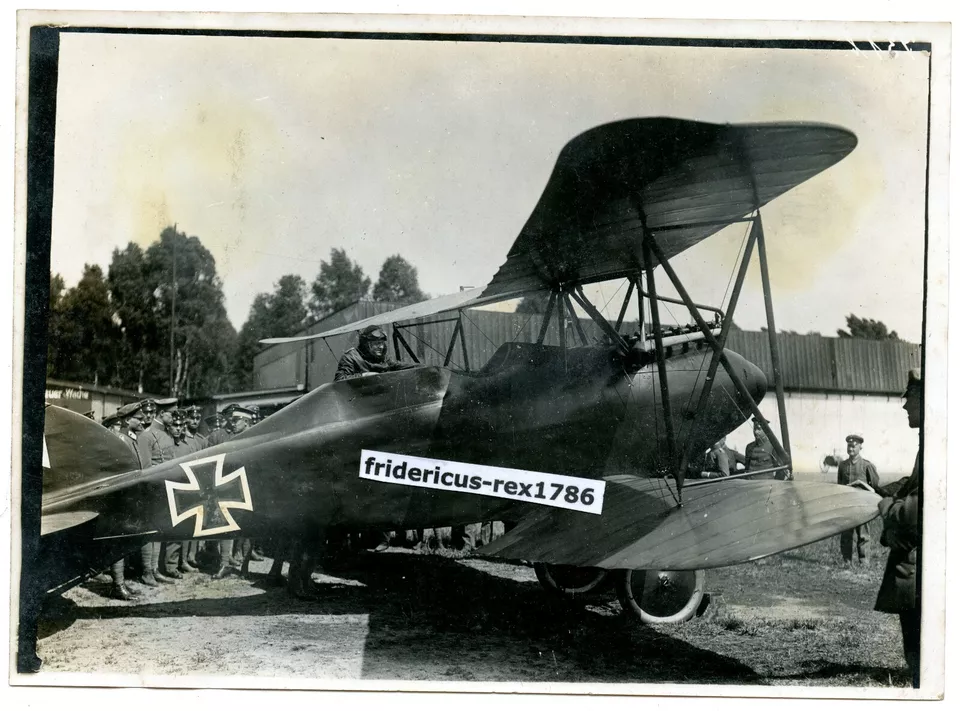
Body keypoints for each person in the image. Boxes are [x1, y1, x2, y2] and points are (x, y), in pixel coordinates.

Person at [875, 368, 922, 686]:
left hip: (921, 573)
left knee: (921, 648)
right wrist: (885, 489)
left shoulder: (940, 445)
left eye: (910, 398)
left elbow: (914, 512)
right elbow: (915, 483)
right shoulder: (932, 443)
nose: (905, 405)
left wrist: (883, 506)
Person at [138, 397, 182, 584]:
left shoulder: (166, 435)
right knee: (149, 531)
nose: (174, 418)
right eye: (171, 414)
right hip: (152, 488)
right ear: (161, 413)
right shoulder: (147, 435)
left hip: (165, 486)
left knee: (158, 530)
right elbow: (145, 467)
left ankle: (155, 569)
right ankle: (147, 571)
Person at [212, 405, 256, 578]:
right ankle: (224, 564)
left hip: (250, 485)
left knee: (250, 526)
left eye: (237, 420)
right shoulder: (229, 436)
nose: (233, 423)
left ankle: (245, 566)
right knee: (226, 523)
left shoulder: (255, 437)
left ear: (246, 422)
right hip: (230, 486)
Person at [837, 433, 880, 565]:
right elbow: (839, 485)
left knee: (863, 535)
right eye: (849, 446)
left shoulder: (867, 465)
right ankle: (847, 561)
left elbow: (875, 486)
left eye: (854, 446)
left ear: (860, 447)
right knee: (846, 535)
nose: (851, 448)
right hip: (847, 505)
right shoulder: (842, 465)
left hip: (862, 506)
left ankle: (864, 562)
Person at [334, 325, 415, 381]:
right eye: (376, 343)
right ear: (366, 344)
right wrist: (363, 376)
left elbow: (396, 365)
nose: (381, 347)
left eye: (382, 343)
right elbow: (339, 379)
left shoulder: (382, 357)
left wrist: (419, 367)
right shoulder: (351, 357)